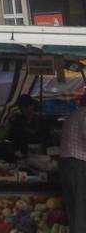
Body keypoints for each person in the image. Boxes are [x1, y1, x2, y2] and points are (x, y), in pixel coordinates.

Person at [60, 97, 86, 232]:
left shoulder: (74, 115)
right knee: (81, 211)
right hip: (79, 166)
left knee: (75, 210)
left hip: (68, 165)